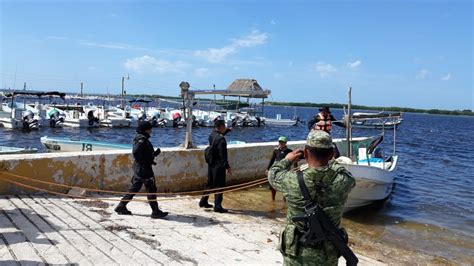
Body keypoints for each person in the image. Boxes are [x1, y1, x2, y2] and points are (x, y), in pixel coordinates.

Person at [268, 130, 356, 265]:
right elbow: (347, 175)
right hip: (328, 252)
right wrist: (332, 161)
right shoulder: (344, 180)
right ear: (332, 154)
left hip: (296, 253)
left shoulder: (291, 180)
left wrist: (287, 159)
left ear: (306, 152)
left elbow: (273, 174)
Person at [114, 121, 168, 219]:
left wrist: (154, 154)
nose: (151, 130)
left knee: (135, 188)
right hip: (144, 169)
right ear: (146, 129)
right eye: (150, 129)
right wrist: (144, 162)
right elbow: (136, 153)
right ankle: (155, 212)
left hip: (140, 168)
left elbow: (144, 153)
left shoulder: (140, 138)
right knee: (151, 189)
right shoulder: (141, 140)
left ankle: (121, 206)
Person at [199, 120, 232, 213]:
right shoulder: (221, 139)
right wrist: (227, 167)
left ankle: (203, 201)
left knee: (210, 183)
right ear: (221, 127)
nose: (225, 128)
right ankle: (217, 206)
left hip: (211, 163)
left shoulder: (212, 134)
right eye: (224, 126)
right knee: (219, 185)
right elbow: (223, 155)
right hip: (218, 165)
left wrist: (227, 131)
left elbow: (217, 140)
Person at [265, 136, 293, 201]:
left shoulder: (289, 151)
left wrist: (295, 169)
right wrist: (267, 169)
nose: (280, 143)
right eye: (280, 142)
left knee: (285, 186)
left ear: (285, 143)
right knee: (272, 186)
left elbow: (294, 160)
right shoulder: (276, 150)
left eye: (282, 142)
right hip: (276, 170)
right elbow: (272, 160)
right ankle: (273, 200)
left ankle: (284, 200)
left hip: (285, 170)